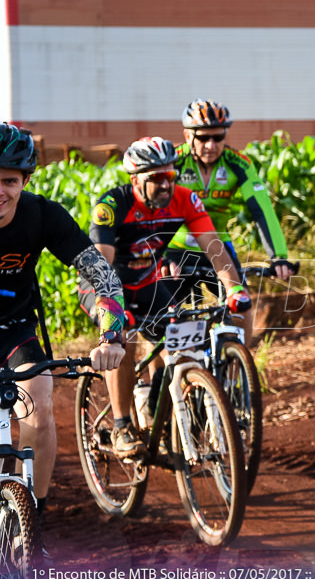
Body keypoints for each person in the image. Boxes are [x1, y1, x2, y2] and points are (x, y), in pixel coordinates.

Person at [80, 136, 251, 458]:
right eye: (155, 178)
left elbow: (214, 247)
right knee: (122, 339)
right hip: (104, 286)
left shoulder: (185, 199)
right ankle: (121, 426)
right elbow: (100, 265)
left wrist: (234, 288)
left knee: (184, 339)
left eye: (170, 176)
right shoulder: (112, 205)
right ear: (135, 181)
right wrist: (113, 316)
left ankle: (160, 405)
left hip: (146, 282)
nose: (164, 185)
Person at [0, 122, 126, 520]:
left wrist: (111, 336)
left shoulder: (43, 216)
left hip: (13, 328)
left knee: (38, 397)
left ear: (24, 181)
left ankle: (31, 515)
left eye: (8, 180)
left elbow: (101, 275)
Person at [166, 99, 296, 345]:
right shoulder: (174, 161)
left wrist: (278, 255)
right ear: (187, 135)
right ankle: (156, 381)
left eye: (217, 137)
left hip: (218, 248)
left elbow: (262, 210)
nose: (211, 145)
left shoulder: (238, 164)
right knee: (164, 319)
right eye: (203, 138)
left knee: (241, 305)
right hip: (176, 247)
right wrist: (162, 255)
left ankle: (240, 371)